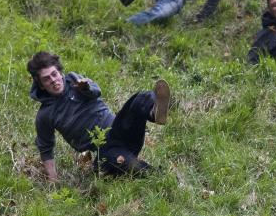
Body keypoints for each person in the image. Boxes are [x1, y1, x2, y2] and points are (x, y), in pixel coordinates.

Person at [27, 51, 171, 181]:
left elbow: (96, 91)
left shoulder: (75, 81)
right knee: (126, 164)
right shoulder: (45, 115)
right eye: (46, 79)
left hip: (120, 129)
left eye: (54, 74)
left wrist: (86, 88)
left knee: (140, 99)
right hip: (106, 149)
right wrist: (53, 179)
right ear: (40, 85)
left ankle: (155, 112)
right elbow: (46, 148)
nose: (53, 80)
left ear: (60, 72)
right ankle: (158, 176)